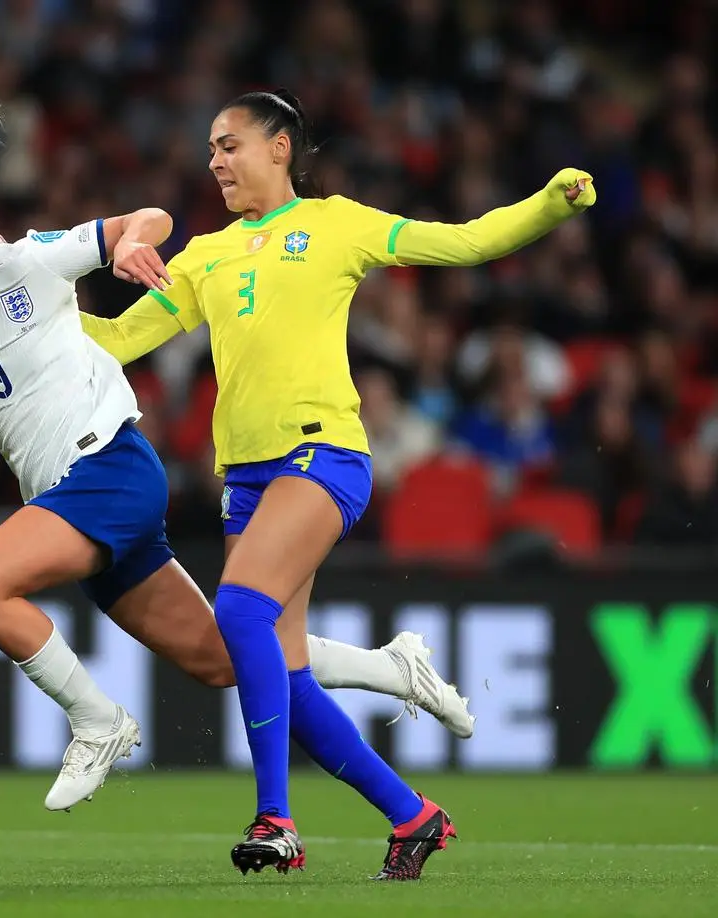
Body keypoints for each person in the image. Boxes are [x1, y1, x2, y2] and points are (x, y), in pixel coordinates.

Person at [0, 78, 472, 824]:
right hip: (63, 497)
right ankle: (391, 669)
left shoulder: (27, 262)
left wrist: (128, 242)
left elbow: (149, 217)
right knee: (227, 658)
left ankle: (98, 722)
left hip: (109, 470)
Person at [79, 89, 596, 880]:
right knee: (282, 674)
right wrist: (16, 300)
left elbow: (463, 243)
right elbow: (112, 340)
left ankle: (275, 819)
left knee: (239, 611)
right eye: (210, 149)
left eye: (229, 144)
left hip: (321, 459)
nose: (213, 160)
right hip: (246, 480)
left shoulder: (335, 222)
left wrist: (546, 207)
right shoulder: (202, 257)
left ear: (280, 146)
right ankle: (413, 815)